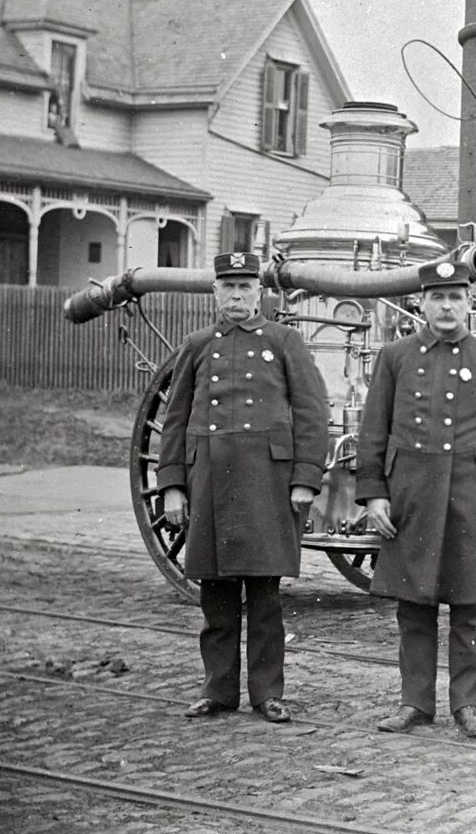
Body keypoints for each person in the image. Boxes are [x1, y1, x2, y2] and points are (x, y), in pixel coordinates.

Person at [157, 251, 326, 723]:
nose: (236, 295)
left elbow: (313, 413)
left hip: (267, 483)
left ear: (260, 292)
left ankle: (267, 693)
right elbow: (175, 422)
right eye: (227, 286)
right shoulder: (196, 344)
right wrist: (173, 486)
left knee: (266, 596)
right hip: (210, 481)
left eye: (245, 287)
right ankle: (218, 691)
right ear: (214, 292)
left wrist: (305, 479)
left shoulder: (284, 340)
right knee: (216, 596)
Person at [357, 261, 476, 738]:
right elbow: (374, 430)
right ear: (421, 303)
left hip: (469, 499)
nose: (447, 307)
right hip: (411, 496)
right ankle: (415, 704)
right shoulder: (394, 356)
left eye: (456, 298)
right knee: (413, 605)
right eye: (438, 298)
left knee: (469, 605)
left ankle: (468, 706)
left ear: (470, 303)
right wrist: (373, 495)